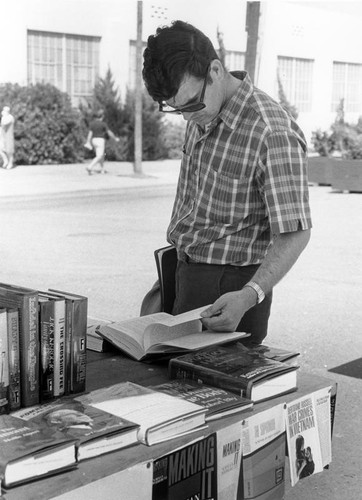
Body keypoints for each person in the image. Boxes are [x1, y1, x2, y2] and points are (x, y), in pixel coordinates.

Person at [142, 20, 312, 345]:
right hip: (182, 269)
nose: (188, 117)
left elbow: (296, 232)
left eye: (190, 104)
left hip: (232, 290)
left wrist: (250, 295)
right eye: (177, 110)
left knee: (207, 391)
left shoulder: (272, 132)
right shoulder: (202, 109)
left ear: (216, 70)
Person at [84, 109, 119, 175]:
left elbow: (90, 134)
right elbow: (109, 133)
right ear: (102, 117)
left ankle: (102, 169)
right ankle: (90, 167)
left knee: (101, 155)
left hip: (94, 140)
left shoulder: (92, 124)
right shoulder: (103, 124)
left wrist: (88, 141)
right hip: (100, 140)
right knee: (99, 156)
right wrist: (114, 138)